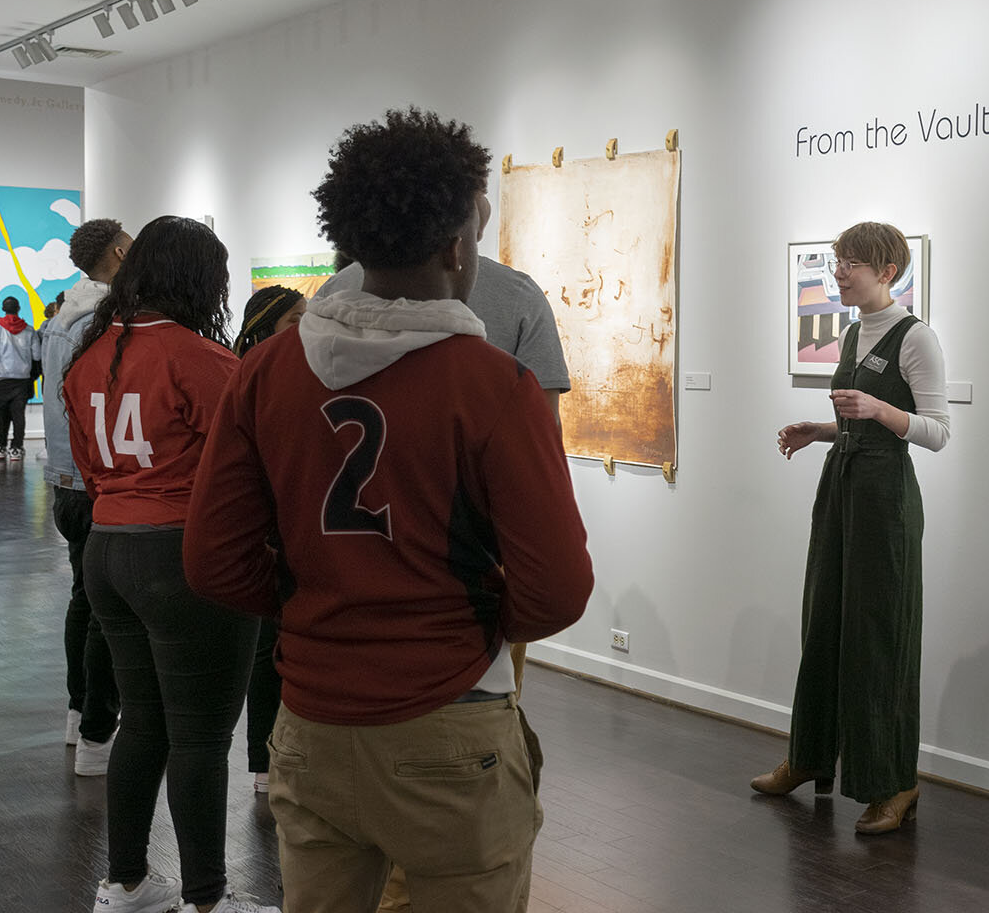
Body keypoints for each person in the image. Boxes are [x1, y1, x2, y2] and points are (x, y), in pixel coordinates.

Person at [183, 107, 594, 913]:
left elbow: (213, 561)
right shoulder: (492, 385)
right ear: (456, 245)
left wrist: (316, 607)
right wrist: (459, 620)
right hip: (448, 724)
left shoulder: (264, 373)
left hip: (310, 724)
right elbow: (558, 589)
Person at [314, 190, 571, 913]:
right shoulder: (515, 299)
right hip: (466, 608)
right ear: (466, 232)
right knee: (456, 814)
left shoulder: (327, 301)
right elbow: (540, 459)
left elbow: (224, 554)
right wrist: (499, 604)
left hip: (329, 635)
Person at [62, 216, 275, 913]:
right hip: (185, 558)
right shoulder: (205, 360)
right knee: (203, 736)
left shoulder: (92, 354)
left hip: (108, 551)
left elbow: (90, 469)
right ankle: (208, 900)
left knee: (145, 721)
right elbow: (251, 473)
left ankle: (124, 883)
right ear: (200, 280)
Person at [752, 221, 950, 835]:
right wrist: (823, 431)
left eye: (851, 264)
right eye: (837, 262)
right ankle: (810, 757)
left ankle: (893, 782)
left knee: (878, 635)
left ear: (887, 271)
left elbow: (938, 432)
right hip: (841, 487)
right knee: (825, 622)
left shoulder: (917, 339)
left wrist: (880, 410)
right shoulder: (852, 332)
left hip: (885, 499)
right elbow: (860, 423)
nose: (839, 273)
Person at [41, 218, 130, 775]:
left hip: (66, 483)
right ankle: (98, 736)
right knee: (107, 612)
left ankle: (79, 716)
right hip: (94, 484)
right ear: (121, 252)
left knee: (86, 599)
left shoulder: (61, 317)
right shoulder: (100, 322)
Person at [228, 284, 306, 795]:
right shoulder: (246, 382)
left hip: (290, 529)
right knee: (264, 654)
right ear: (263, 330)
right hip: (264, 532)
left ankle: (277, 758)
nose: (305, 329)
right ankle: (264, 762)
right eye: (293, 321)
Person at [0, 294, 39, 462]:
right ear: (18, 309)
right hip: (21, 378)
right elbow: (36, 354)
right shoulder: (29, 330)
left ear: (3, 309)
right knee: (18, 415)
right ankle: (17, 448)